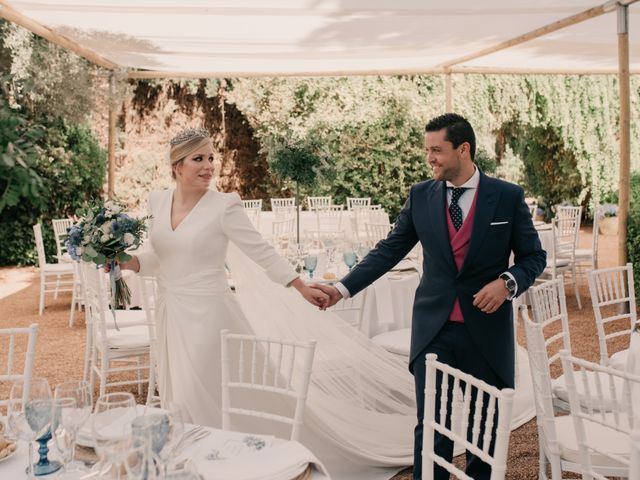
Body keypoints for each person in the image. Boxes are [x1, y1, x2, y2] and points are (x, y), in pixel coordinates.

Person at [313, 113, 546, 479]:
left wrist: (507, 283)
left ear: (464, 149)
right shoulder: (421, 196)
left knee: (482, 425)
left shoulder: (507, 197)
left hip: (486, 330)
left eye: (437, 150)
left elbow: (534, 257)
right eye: (427, 150)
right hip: (433, 329)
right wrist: (341, 289)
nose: (430, 158)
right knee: (431, 425)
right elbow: (388, 250)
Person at [116, 127, 328, 426]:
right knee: (178, 394)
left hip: (209, 314)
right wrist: (128, 261)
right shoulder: (157, 201)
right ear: (177, 166)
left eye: (211, 158)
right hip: (172, 314)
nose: (208, 166)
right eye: (198, 159)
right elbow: (161, 259)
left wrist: (300, 286)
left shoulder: (224, 205)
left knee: (198, 393)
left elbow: (261, 251)